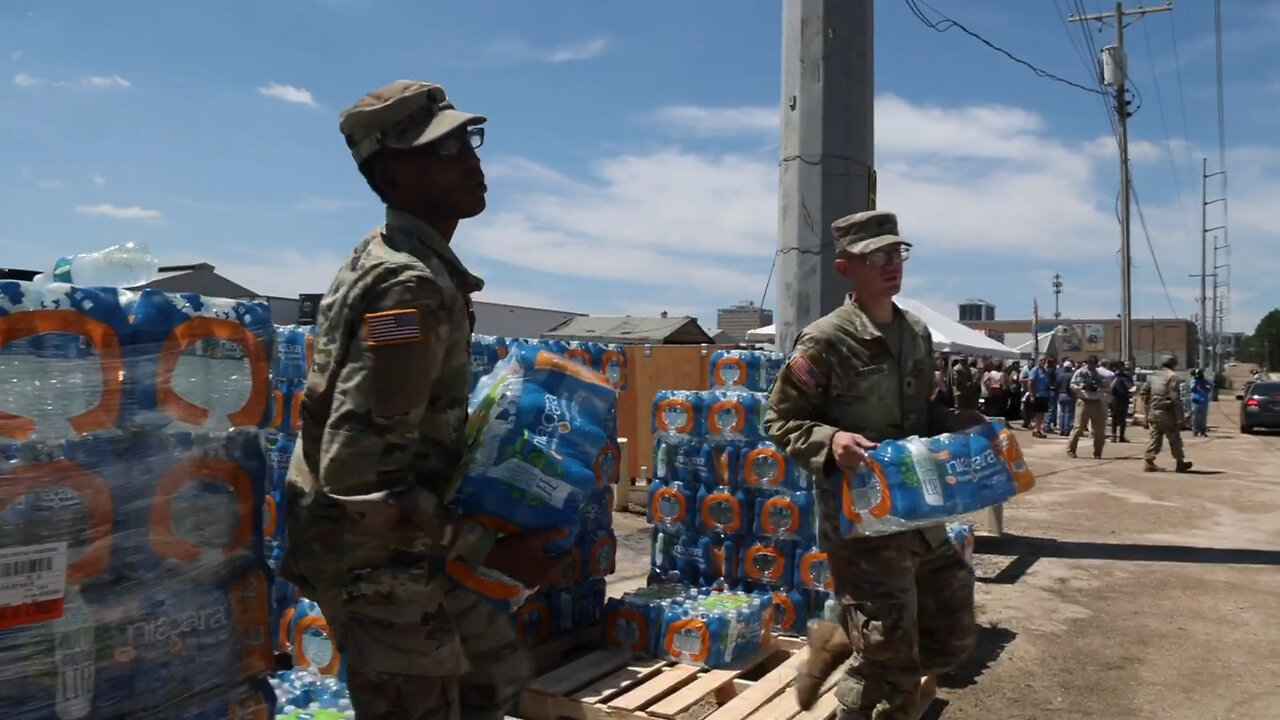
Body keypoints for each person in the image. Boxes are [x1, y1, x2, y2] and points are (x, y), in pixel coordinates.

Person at [280, 79, 569, 720]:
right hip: (374, 564)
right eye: (442, 150)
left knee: (493, 673)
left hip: (392, 547)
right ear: (393, 174)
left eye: (469, 140)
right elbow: (358, 474)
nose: (470, 160)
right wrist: (488, 549)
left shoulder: (403, 261)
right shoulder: (408, 287)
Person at [763, 210, 982, 720]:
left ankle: (842, 637)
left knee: (951, 637)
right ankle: (867, 663)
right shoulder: (825, 340)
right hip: (860, 524)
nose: (890, 265)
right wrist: (832, 438)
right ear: (846, 268)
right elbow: (780, 419)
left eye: (896, 253)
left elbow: (918, 415)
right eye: (876, 256)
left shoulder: (917, 334)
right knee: (893, 671)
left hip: (917, 511)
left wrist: (953, 419)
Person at [1145, 355, 1193, 472]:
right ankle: (1179, 462)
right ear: (1174, 364)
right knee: (1174, 437)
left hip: (1154, 411)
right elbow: (1175, 397)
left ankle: (1149, 461)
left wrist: (1149, 408)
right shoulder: (1172, 377)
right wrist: (1180, 417)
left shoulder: (1153, 376)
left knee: (1155, 436)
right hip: (1167, 412)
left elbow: (1144, 392)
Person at [1067, 355, 1108, 459]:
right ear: (1088, 363)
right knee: (1078, 428)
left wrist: (1101, 384)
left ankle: (1098, 452)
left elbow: (1107, 386)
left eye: (1095, 364)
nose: (1093, 366)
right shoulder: (1081, 372)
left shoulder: (1098, 373)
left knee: (1099, 430)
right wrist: (1082, 387)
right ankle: (1071, 450)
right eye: (1091, 363)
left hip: (1097, 401)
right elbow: (1072, 385)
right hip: (1084, 401)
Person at [1026, 355, 1054, 438]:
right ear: (1039, 361)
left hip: (1045, 395)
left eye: (1045, 361)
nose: (1044, 362)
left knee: (1042, 414)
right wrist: (1031, 395)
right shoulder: (1035, 370)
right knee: (1038, 413)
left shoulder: (1045, 371)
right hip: (1038, 395)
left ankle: (1038, 429)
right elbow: (1030, 382)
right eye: (1043, 361)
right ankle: (1036, 429)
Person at [1110, 361, 1134, 442]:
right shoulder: (1113, 376)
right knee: (1114, 417)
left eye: (1122, 367)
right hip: (1115, 398)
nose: (1120, 369)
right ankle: (1113, 435)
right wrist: (1115, 381)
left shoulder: (1126, 376)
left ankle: (1121, 436)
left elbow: (1131, 387)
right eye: (1119, 367)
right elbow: (1109, 388)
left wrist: (1126, 383)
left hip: (1124, 398)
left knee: (1123, 418)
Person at [1190, 368, 1212, 437]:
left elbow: (1209, 388)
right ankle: (1195, 431)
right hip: (1195, 401)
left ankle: (1202, 431)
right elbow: (1193, 389)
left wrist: (1205, 386)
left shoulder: (1205, 382)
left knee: (1203, 417)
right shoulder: (1193, 381)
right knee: (1195, 417)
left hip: (1204, 401)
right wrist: (1196, 382)